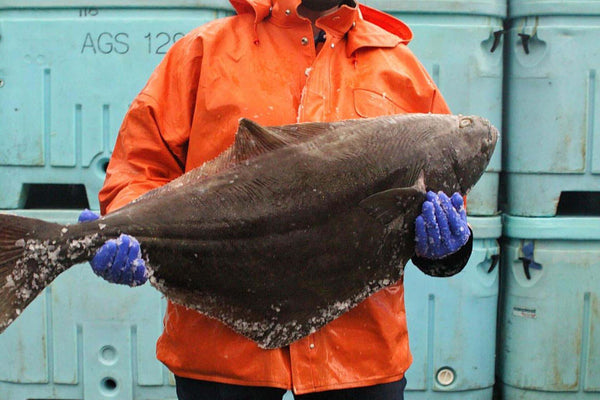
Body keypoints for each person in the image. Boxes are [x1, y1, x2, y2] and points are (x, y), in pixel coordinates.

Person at [79, 0, 473, 398]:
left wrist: (447, 250)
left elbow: (443, 205)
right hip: (221, 360)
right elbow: (139, 167)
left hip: (361, 360)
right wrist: (122, 231)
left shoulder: (401, 68)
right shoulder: (203, 51)